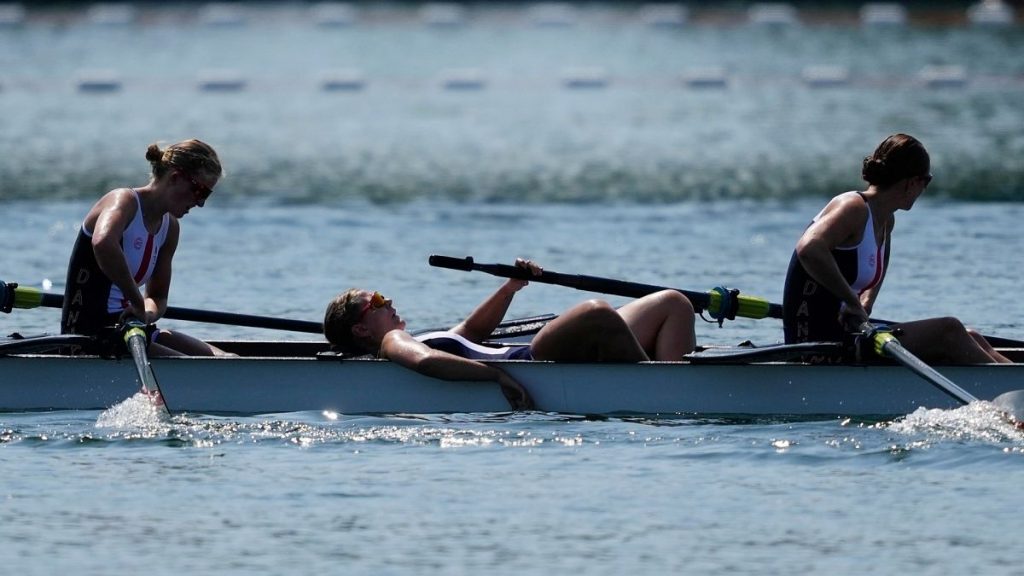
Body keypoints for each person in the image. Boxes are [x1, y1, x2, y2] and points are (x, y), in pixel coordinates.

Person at [323, 258, 697, 409]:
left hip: (537, 354)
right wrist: (496, 375)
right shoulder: (392, 342)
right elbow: (423, 362)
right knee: (595, 312)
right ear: (360, 329)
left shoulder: (421, 335)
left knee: (673, 303)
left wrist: (511, 287)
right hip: (534, 358)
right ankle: (661, 388)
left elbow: (472, 330)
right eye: (376, 301)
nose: (388, 301)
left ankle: (673, 381)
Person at [782, 133, 1009, 364]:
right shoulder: (853, 207)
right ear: (912, 182)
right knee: (949, 331)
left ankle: (1014, 384)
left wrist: (866, 303)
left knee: (971, 337)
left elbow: (880, 263)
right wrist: (851, 300)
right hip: (815, 345)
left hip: (849, 333)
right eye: (927, 181)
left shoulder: (886, 220)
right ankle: (1008, 389)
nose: (924, 189)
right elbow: (809, 248)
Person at [61, 139, 232, 357]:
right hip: (88, 337)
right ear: (175, 178)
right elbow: (103, 243)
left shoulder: (170, 229)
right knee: (194, 369)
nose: (200, 203)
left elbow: (158, 297)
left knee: (227, 360)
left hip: (132, 331)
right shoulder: (123, 201)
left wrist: (146, 314)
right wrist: (136, 301)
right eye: (200, 192)